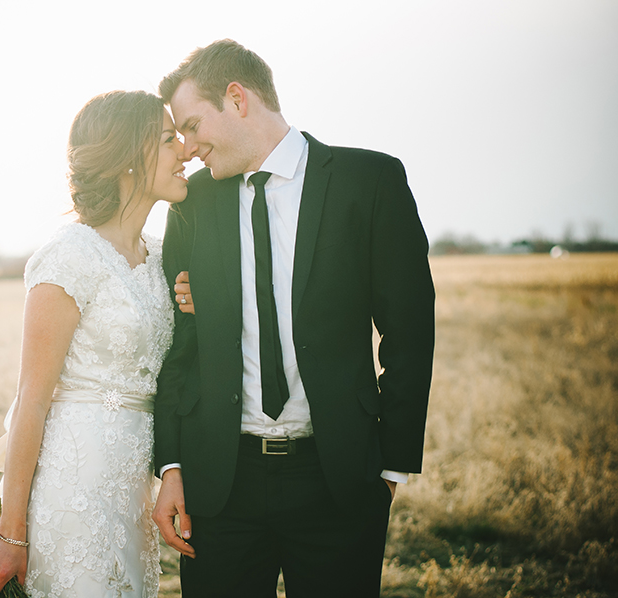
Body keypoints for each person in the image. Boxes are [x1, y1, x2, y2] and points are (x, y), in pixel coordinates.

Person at [152, 40, 435, 597]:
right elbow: (178, 348)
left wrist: (390, 466)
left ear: (236, 99)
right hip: (221, 486)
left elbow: (409, 328)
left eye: (191, 125)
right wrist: (173, 466)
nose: (186, 148)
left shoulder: (370, 182)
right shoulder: (192, 203)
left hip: (338, 482)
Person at [0, 90, 188, 598]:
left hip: (131, 487)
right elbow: (31, 401)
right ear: (130, 157)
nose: (185, 150)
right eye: (169, 138)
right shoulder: (68, 257)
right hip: (72, 484)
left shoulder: (161, 257)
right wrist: (11, 531)